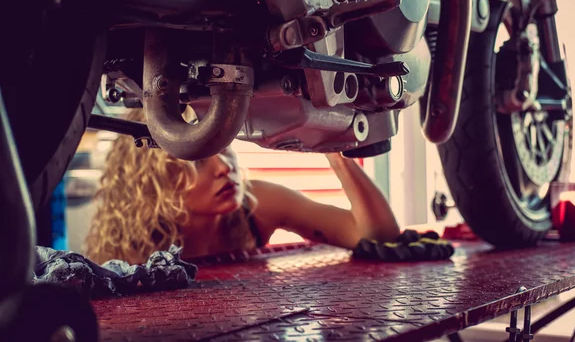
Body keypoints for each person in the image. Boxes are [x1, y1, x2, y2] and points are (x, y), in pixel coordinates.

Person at [84, 109, 400, 264]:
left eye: (223, 148)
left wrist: (333, 143)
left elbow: (378, 238)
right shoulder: (130, 251)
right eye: (199, 160)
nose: (225, 168)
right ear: (152, 182)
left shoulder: (256, 203)